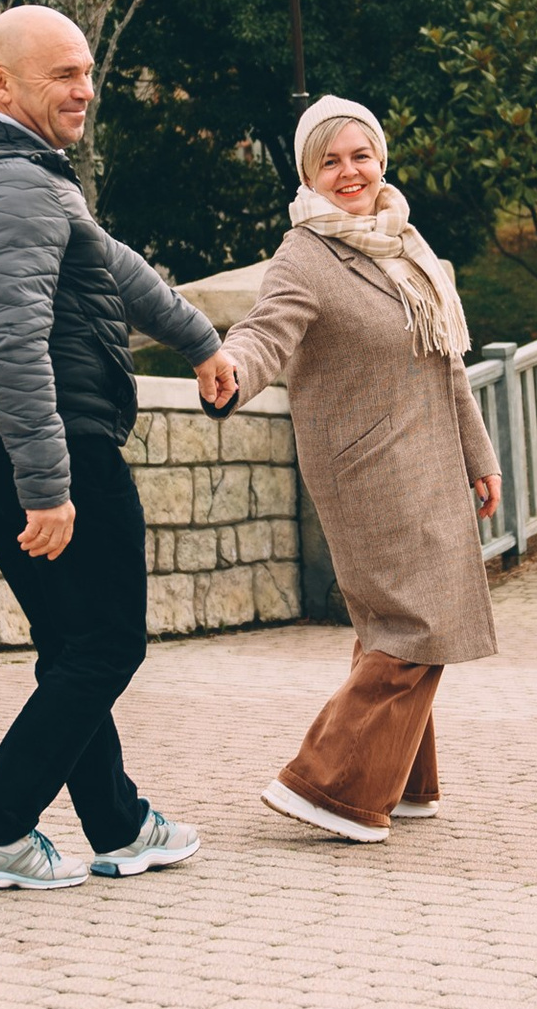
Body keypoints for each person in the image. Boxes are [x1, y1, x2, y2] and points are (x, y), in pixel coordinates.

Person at [0, 4, 241, 890]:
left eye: (87, 71)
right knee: (106, 646)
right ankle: (0, 831)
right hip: (54, 443)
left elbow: (109, 261)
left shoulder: (16, 176)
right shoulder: (15, 186)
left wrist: (201, 340)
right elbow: (9, 343)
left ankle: (121, 825)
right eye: (64, 74)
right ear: (1, 84)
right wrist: (50, 485)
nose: (85, 89)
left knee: (71, 644)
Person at [212, 95, 501, 843]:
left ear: (381, 160)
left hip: (431, 458)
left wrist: (480, 455)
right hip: (368, 468)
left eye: (360, 156)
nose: (349, 173)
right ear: (309, 173)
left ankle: (403, 782)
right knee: (418, 617)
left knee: (395, 620)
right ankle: (327, 783)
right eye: (330, 161)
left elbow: (448, 364)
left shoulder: (405, 243)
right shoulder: (304, 254)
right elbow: (263, 334)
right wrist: (231, 373)